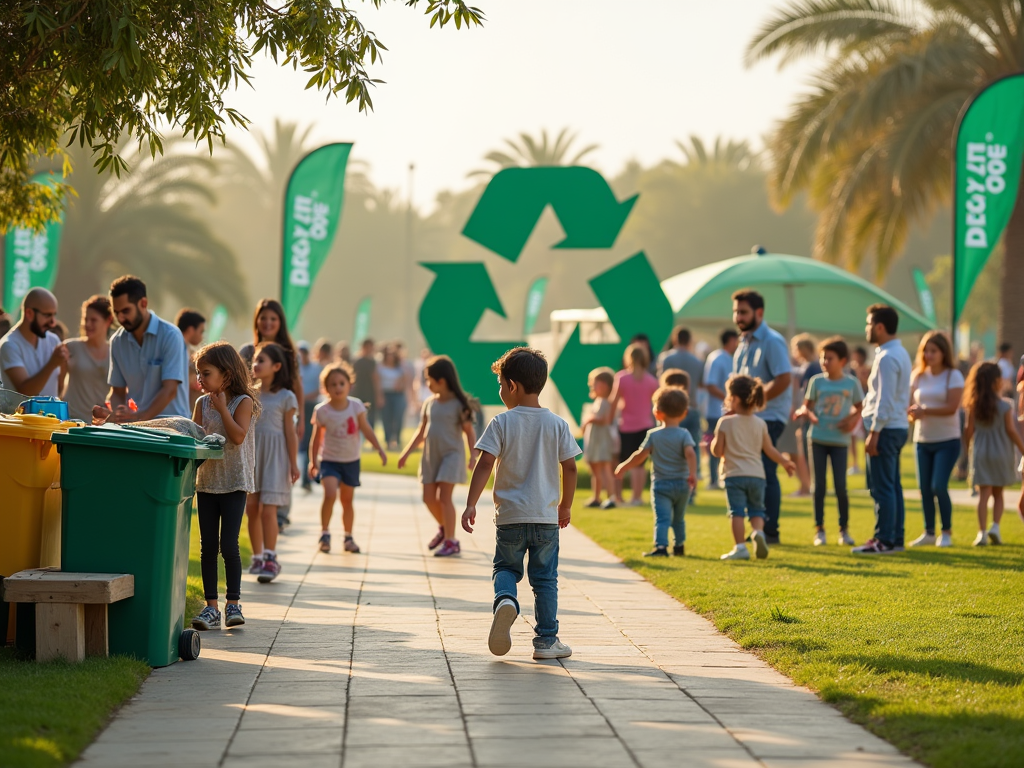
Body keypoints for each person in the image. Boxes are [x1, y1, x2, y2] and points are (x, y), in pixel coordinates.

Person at [461, 347, 581, 660]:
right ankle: (546, 641)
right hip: (544, 517)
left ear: (512, 386)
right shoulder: (557, 424)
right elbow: (570, 467)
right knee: (544, 580)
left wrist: (471, 503)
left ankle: (506, 600)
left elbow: (484, 464)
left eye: (500, 385)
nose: (500, 391)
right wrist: (565, 506)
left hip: (509, 517)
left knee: (505, 567)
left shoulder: (501, 423)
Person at [190, 342, 258, 631]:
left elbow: (238, 436)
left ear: (226, 375)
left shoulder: (242, 401)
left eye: (206, 373)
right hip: (207, 482)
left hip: (233, 482)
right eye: (198, 373)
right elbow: (194, 436)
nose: (200, 380)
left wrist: (221, 409)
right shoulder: (200, 404)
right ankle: (211, 607)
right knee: (208, 548)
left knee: (229, 545)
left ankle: (233, 603)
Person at [398, 355, 478, 557]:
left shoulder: (459, 405)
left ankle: (451, 540)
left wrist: (472, 456)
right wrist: (406, 453)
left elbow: (469, 432)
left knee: (444, 497)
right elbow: (421, 431)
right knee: (427, 498)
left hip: (452, 455)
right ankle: (444, 527)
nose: (427, 384)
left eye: (428, 380)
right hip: (430, 456)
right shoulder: (429, 403)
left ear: (441, 381)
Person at [712, 375, 796, 561]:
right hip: (758, 475)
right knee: (757, 510)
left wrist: (713, 441)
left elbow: (718, 451)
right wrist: (784, 462)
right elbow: (769, 450)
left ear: (734, 399)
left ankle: (740, 547)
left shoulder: (725, 423)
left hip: (734, 475)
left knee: (737, 512)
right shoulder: (761, 423)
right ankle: (758, 532)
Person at [731, 290, 792, 544]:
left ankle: (770, 530)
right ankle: (758, 528)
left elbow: (784, 379)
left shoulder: (772, 340)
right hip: (748, 417)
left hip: (769, 417)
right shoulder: (744, 342)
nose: (738, 317)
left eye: (743, 312)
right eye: (735, 312)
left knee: (765, 471)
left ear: (759, 313)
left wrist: (754, 403)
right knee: (752, 472)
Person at [309, 362, 387, 555]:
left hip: (351, 460)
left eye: (341, 383)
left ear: (349, 385)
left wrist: (379, 448)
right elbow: (316, 439)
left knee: (347, 500)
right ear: (326, 388)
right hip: (329, 461)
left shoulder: (356, 406)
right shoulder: (322, 410)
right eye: (333, 384)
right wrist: (313, 461)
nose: (338, 387)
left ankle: (348, 536)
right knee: (329, 494)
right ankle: (325, 533)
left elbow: (366, 429)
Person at [852, 304, 912, 555]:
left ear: (879, 327)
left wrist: (874, 433)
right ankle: (895, 538)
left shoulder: (887, 357)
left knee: (882, 487)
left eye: (868, 324)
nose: (866, 329)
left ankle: (884, 540)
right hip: (894, 426)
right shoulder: (898, 352)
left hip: (885, 429)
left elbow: (884, 400)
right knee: (892, 486)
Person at [239, 299, 303, 530]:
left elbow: (297, 386)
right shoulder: (247, 351)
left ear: (280, 323)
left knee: (280, 461)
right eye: (263, 318)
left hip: (281, 413)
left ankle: (280, 515)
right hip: (254, 418)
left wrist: (302, 417)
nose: (267, 323)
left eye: (273, 319)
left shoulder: (287, 353)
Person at [794, 337, 863, 546]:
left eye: (829, 358)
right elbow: (807, 406)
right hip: (817, 439)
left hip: (840, 441)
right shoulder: (817, 381)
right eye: (823, 357)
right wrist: (807, 414)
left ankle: (844, 530)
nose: (825, 362)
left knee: (841, 486)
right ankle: (820, 529)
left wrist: (852, 422)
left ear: (842, 361)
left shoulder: (851, 383)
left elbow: (860, 407)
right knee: (819, 486)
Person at [615, 386, 697, 558]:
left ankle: (661, 547)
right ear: (684, 413)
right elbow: (690, 453)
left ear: (657, 412)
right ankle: (679, 546)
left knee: (662, 518)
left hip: (661, 485)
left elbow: (640, 456)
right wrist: (693, 474)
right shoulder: (684, 434)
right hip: (682, 484)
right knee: (678, 518)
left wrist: (624, 466)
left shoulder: (653, 435)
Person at [95, 276, 189, 422]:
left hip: (174, 428)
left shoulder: (171, 335)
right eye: (116, 312)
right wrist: (119, 415)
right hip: (137, 428)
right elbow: (117, 392)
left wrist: (139, 417)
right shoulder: (117, 341)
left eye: (126, 311)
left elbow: (170, 390)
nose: (120, 318)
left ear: (143, 303)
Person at [247, 343, 299, 583]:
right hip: (253, 456)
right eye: (255, 360)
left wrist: (293, 463)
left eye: (261, 361)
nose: (255, 365)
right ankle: (257, 557)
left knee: (269, 511)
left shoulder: (286, 397)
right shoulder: (250, 393)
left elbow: (290, 432)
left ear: (277, 366)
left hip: (276, 458)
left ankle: (270, 557)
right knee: (252, 509)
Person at [906, 331, 964, 548]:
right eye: (926, 351)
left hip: (947, 440)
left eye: (934, 351)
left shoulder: (953, 375)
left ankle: (946, 532)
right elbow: (910, 405)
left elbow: (951, 408)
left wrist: (925, 410)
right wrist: (912, 412)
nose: (929, 355)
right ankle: (929, 532)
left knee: (939, 485)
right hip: (922, 440)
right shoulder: (917, 376)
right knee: (925, 488)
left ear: (943, 353)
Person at [964, 362, 1024, 546]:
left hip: (981, 453)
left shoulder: (973, 405)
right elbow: (1011, 431)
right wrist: (1022, 449)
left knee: (984, 495)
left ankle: (981, 532)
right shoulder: (1005, 405)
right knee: (998, 493)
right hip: (1002, 452)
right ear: (997, 381)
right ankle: (995, 527)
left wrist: (967, 450)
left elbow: (969, 430)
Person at [609, 343, 659, 506]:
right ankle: (636, 497)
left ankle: (618, 496)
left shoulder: (622, 378)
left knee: (622, 461)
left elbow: (614, 402)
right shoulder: (652, 381)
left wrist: (609, 422)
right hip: (645, 425)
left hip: (626, 426)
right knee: (640, 464)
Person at [657, 326, 704, 484]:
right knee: (693, 447)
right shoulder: (697, 361)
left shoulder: (666, 359)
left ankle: (670, 479)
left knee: (669, 446)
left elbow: (661, 382)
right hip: (691, 406)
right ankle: (692, 482)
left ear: (675, 339)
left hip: (669, 408)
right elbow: (701, 383)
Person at [0, 288, 66, 397]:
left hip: (52, 414)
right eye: (47, 315)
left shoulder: (54, 340)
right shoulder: (9, 345)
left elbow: (60, 387)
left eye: (54, 315)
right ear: (29, 313)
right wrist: (52, 364)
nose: (53, 323)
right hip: (19, 414)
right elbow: (25, 391)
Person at [60, 296, 114, 422]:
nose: (87, 324)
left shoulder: (116, 353)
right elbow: (57, 386)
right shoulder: (69, 347)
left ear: (108, 320)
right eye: (85, 319)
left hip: (100, 425)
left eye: (94, 320)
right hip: (71, 421)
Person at [703, 329, 738, 489]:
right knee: (714, 446)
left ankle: (723, 477)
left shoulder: (727, 358)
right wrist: (728, 400)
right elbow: (711, 384)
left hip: (726, 411)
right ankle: (713, 480)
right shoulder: (718, 358)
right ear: (730, 340)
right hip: (717, 411)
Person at [581, 367, 617, 509]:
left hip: (601, 441)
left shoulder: (605, 402)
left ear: (605, 385)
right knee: (596, 470)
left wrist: (590, 420)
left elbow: (605, 419)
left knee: (605, 469)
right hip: (596, 441)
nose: (593, 387)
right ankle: (596, 497)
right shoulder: (598, 401)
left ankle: (610, 496)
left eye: (597, 384)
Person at [790, 334, 820, 497]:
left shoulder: (811, 367)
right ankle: (811, 484)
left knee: (806, 451)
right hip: (811, 413)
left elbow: (808, 394)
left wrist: (803, 411)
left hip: (808, 414)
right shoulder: (811, 365)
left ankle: (808, 486)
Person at [298, 340, 323, 492]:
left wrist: (305, 397)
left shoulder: (316, 368)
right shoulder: (297, 368)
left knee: (310, 440)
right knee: (301, 442)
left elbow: (320, 388)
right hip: (298, 406)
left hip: (311, 405)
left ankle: (309, 476)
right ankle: (306, 477)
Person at [379, 344, 408, 451]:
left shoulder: (399, 367)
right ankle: (388, 440)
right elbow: (377, 382)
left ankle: (397, 439)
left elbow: (405, 379)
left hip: (397, 395)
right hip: (386, 394)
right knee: (386, 418)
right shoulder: (380, 367)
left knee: (398, 417)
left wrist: (400, 384)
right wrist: (380, 397)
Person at [176, 308, 206, 411]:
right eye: (201, 331)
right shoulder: (175, 348)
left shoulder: (188, 350)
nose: (202, 337)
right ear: (190, 330)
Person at [351, 338, 383, 432]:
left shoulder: (373, 363)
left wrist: (378, 396)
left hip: (370, 394)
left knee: (370, 418)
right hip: (358, 393)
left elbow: (376, 379)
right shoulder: (357, 361)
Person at [849, 346, 871, 476]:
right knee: (852, 435)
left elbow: (865, 384)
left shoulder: (867, 369)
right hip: (855, 407)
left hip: (866, 406)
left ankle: (867, 462)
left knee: (866, 436)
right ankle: (855, 464)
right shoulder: (851, 370)